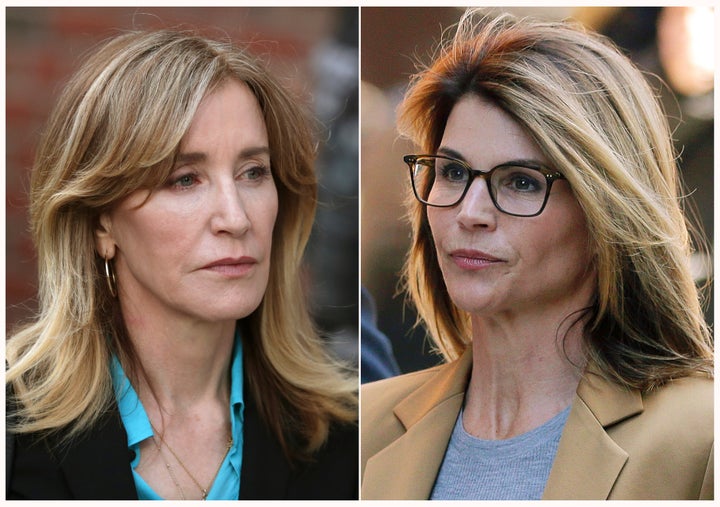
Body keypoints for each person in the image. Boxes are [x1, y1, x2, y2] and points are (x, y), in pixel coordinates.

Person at [361, 10, 713, 500]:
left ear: (605, 211)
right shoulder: (362, 428)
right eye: (453, 173)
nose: (471, 212)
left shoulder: (702, 439)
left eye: (521, 182)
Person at [6, 29, 358, 500]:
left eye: (253, 172)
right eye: (185, 179)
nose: (236, 218)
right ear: (101, 224)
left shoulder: (347, 437)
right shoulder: (14, 437)